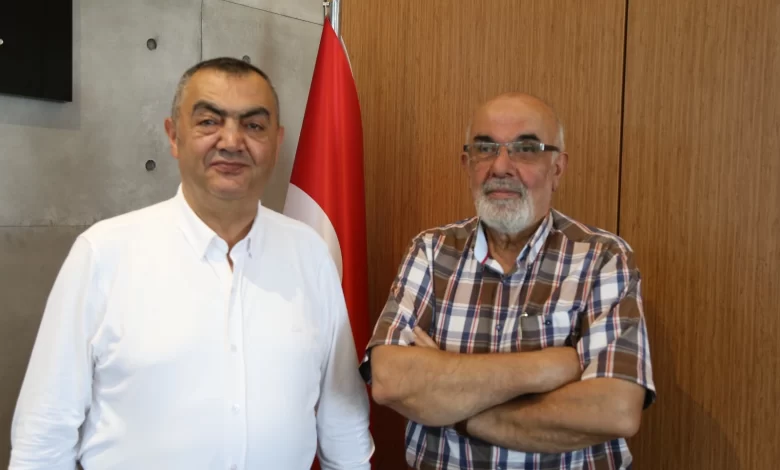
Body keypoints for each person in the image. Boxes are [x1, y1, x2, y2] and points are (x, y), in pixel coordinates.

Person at [9, 57, 373, 470]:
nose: (231, 141)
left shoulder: (310, 254)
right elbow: (44, 434)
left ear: (277, 141)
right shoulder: (103, 254)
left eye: (254, 125)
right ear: (174, 135)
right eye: (208, 122)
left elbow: (343, 426)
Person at [360, 92, 656, 469]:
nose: (501, 166)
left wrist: (455, 410)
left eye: (526, 149)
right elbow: (389, 380)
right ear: (467, 164)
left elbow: (614, 411)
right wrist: (551, 366)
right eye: (485, 148)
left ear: (557, 168)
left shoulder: (603, 258)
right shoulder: (431, 252)